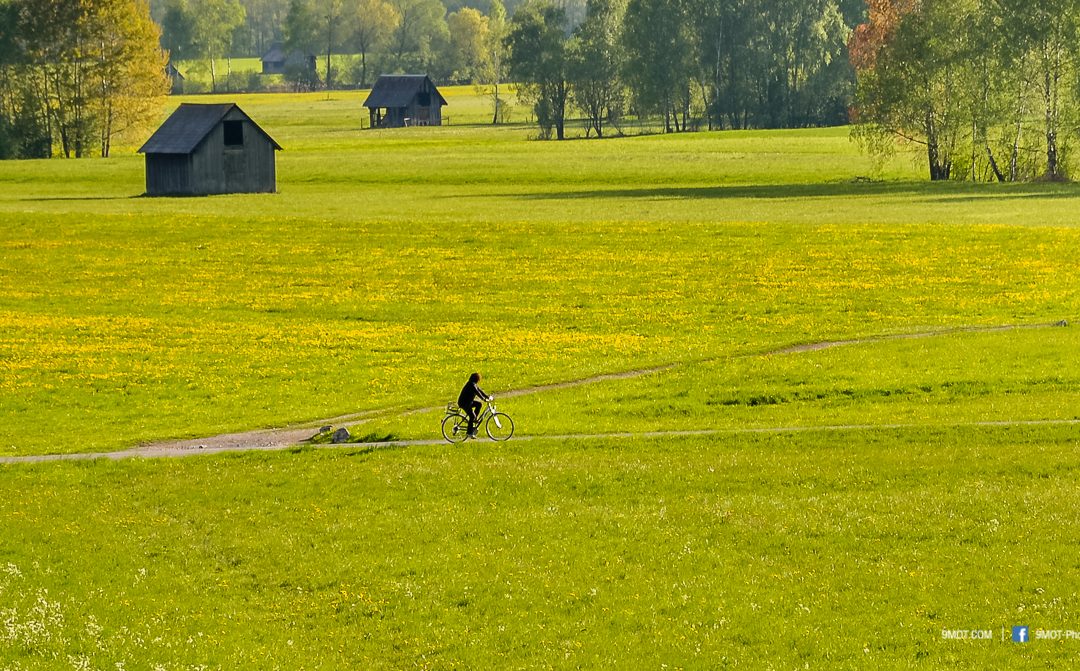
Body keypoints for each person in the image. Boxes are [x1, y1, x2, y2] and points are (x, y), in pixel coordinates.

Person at [457, 372, 492, 438]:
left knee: (479, 404)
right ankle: (469, 433)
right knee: (472, 416)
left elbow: (480, 391)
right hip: (464, 403)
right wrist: (484, 399)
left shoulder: (473, 384)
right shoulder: (471, 385)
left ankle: (474, 419)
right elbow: (478, 393)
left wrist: (487, 397)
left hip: (468, 402)